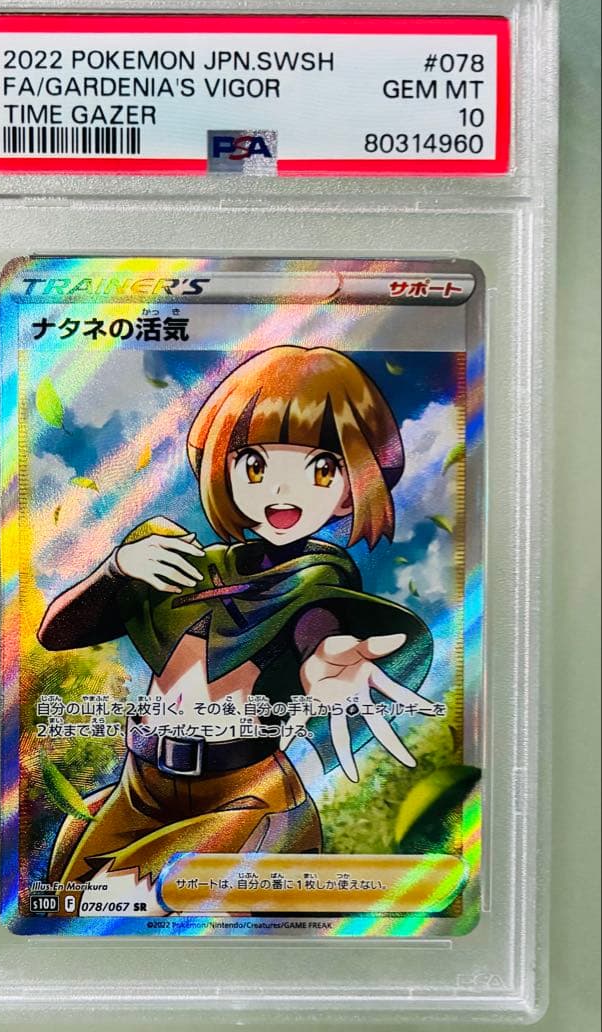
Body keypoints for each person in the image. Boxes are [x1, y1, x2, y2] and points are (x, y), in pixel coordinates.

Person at [38, 345, 433, 894]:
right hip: (140, 783)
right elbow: (57, 634)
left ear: (354, 487)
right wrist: (117, 569)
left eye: (321, 469)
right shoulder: (193, 568)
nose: (281, 490)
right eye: (255, 465)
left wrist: (323, 661)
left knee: (113, 901)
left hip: (243, 795)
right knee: (61, 900)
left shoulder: (318, 578)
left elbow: (318, 620)